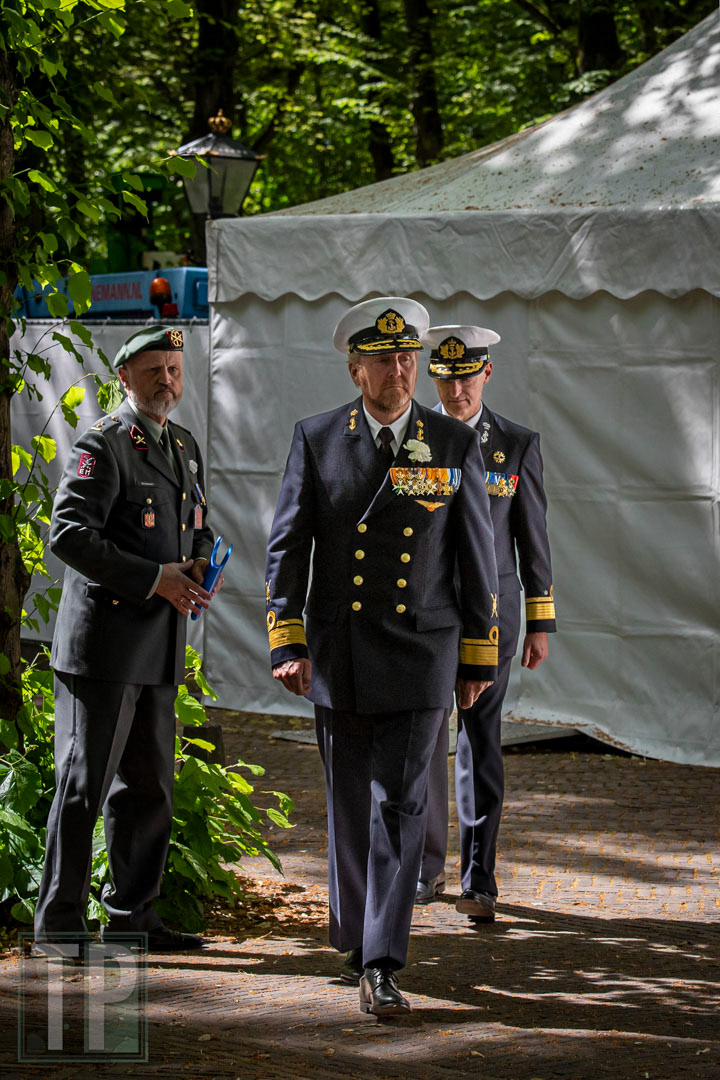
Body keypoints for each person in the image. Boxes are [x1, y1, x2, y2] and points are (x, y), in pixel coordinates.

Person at [265, 298, 499, 1015]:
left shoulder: (452, 444)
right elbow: (288, 545)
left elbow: (476, 561)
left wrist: (477, 663)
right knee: (346, 808)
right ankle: (355, 933)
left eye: (409, 359)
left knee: (401, 807)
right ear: (355, 367)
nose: (400, 371)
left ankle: (380, 961)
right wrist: (288, 638)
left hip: (422, 654)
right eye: (385, 360)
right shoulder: (317, 439)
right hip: (340, 653)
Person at [34, 325, 216, 952]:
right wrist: (154, 578)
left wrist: (198, 562)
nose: (168, 380)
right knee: (85, 787)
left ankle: (132, 919)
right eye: (153, 371)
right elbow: (68, 534)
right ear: (124, 379)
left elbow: (192, 524)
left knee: (148, 790)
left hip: (159, 647)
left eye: (174, 368)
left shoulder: (184, 447)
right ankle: (59, 926)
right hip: (105, 648)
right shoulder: (104, 444)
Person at [416, 324, 556, 922]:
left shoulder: (516, 445)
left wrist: (541, 621)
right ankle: (424, 870)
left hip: (492, 618)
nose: (456, 390)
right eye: (445, 379)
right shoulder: (413, 442)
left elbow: (533, 538)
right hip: (422, 619)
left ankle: (480, 877)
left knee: (480, 745)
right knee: (419, 746)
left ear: (487, 374)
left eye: (466, 376)